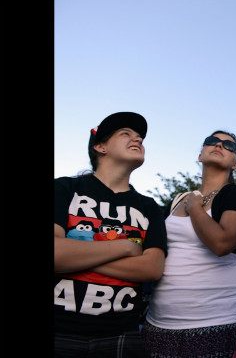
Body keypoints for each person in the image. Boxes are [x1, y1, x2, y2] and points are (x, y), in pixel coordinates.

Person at [54, 112, 168, 357]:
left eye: (139, 136)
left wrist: (75, 254)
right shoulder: (63, 188)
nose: (137, 139)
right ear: (100, 146)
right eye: (125, 134)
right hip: (59, 328)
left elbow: (151, 268)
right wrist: (126, 247)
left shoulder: (150, 208)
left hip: (122, 334)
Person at [141, 130, 236, 358]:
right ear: (200, 155)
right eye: (212, 142)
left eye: (229, 146)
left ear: (235, 164)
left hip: (217, 322)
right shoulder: (176, 201)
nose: (219, 145)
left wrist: (194, 207)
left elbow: (222, 243)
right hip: (160, 321)